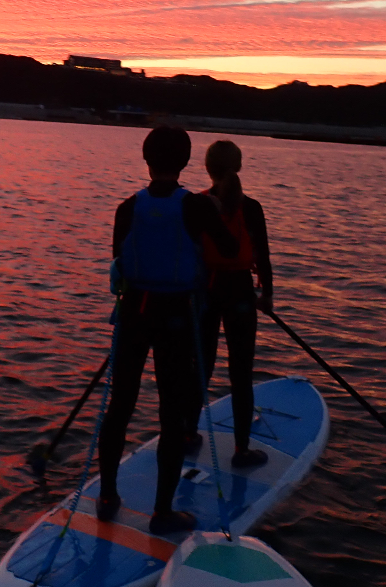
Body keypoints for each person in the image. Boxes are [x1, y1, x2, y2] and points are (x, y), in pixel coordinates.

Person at [96, 126, 239, 535]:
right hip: (175, 316)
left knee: (119, 405)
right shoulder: (197, 207)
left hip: (134, 314)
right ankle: (161, 511)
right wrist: (213, 209)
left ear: (147, 159)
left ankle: (107, 497)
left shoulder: (128, 207)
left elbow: (119, 257)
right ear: (185, 162)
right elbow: (229, 250)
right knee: (171, 414)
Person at [190, 139, 273, 469]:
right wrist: (266, 294)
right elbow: (262, 255)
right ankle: (240, 450)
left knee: (200, 367)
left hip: (205, 292)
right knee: (241, 372)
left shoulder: (196, 204)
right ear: (238, 167)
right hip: (240, 293)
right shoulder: (251, 207)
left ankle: (186, 434)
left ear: (207, 168)